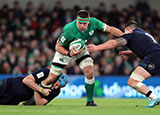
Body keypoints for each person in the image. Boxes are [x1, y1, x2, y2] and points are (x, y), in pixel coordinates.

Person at [40, 10, 123, 106]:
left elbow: (110, 29)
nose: (82, 26)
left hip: (81, 49)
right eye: (80, 23)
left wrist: (125, 36)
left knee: (89, 71)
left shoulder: (94, 22)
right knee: (51, 79)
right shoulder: (69, 29)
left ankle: (89, 101)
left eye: (84, 23)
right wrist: (69, 53)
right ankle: (35, 98)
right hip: (65, 51)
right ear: (76, 21)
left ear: (89, 21)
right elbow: (57, 47)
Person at [87, 21, 160, 108]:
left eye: (124, 32)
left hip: (154, 57)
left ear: (128, 29)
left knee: (133, 81)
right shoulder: (142, 33)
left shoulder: (130, 34)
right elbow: (145, 47)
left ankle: (153, 98)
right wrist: (131, 52)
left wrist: (97, 47)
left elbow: (113, 43)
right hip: (156, 55)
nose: (124, 35)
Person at [0, 68, 68, 105]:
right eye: (56, 84)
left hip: (13, 100)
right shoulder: (46, 73)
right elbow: (26, 80)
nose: (56, 87)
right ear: (54, 78)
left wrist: (38, 88)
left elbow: (40, 104)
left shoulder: (56, 91)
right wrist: (41, 90)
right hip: (7, 86)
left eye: (59, 86)